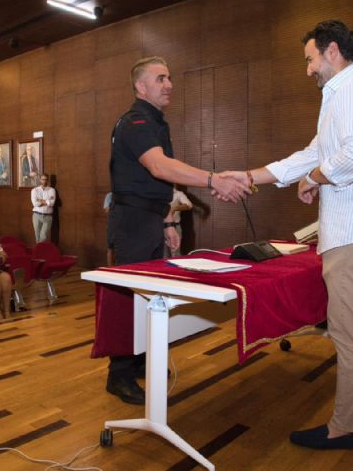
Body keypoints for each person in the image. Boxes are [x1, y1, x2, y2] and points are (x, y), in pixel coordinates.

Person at [227, 21, 353, 449]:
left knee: (350, 334)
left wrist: (315, 178)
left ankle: (345, 428)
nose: (307, 69)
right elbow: (310, 155)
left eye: (310, 59)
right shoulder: (346, 96)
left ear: (332, 52)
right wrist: (250, 176)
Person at [105, 56, 251, 405]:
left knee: (148, 294)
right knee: (128, 297)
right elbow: (159, 167)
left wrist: (169, 220)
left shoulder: (157, 123)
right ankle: (118, 374)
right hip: (132, 222)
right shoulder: (136, 121)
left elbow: (161, 183)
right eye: (160, 78)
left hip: (151, 218)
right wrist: (214, 180)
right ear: (141, 86)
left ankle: (138, 360)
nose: (169, 84)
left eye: (169, 77)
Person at [163, 185, 192, 257]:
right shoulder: (158, 194)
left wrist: (174, 208)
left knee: (175, 252)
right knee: (162, 254)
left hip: (175, 226)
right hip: (159, 227)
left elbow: (189, 205)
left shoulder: (178, 194)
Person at [31, 173, 55, 243]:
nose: (44, 181)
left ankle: (40, 248)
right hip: (36, 215)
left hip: (48, 216)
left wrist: (40, 200)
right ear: (40, 180)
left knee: (43, 236)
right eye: (43, 179)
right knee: (37, 236)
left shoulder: (52, 190)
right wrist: (47, 201)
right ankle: (39, 250)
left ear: (48, 180)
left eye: (46, 179)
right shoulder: (34, 190)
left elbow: (52, 203)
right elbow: (35, 204)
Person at [103, 191, 114, 266]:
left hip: (123, 226)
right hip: (112, 225)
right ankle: (110, 268)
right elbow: (106, 210)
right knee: (110, 247)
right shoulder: (109, 195)